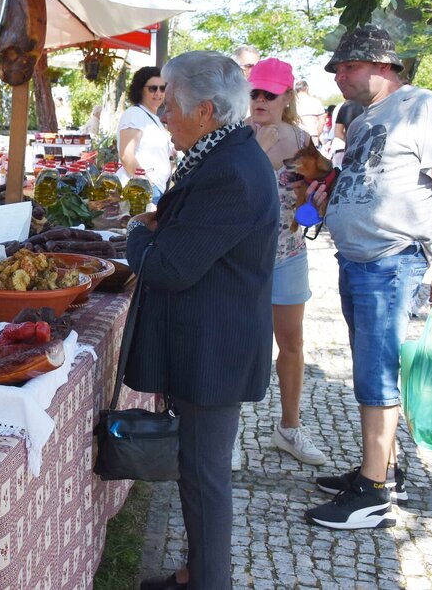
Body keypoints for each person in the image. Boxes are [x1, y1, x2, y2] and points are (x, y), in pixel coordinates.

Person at [128, 51, 278, 590]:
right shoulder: (223, 153)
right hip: (210, 339)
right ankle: (198, 571)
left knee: (204, 474)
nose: (163, 112)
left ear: (206, 111)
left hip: (216, 348)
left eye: (170, 103)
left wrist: (137, 233)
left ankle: (209, 581)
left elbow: (168, 267)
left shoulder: (230, 169)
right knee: (197, 469)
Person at [305, 25, 432, 530]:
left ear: (384, 65)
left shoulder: (424, 107)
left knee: (376, 373)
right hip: (359, 260)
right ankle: (383, 470)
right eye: (336, 68)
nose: (339, 75)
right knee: (369, 368)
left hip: (392, 261)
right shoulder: (365, 117)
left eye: (349, 66)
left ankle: (372, 495)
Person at [248, 58, 326, 466]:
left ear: (287, 97)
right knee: (241, 341)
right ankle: (226, 432)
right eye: (254, 92)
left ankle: (290, 427)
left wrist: (314, 205)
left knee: (292, 343)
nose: (260, 100)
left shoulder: (302, 141)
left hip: (289, 253)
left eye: (270, 94)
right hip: (243, 258)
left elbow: (311, 210)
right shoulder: (236, 136)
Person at [116, 66, 171, 203]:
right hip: (142, 191)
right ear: (140, 89)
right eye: (153, 88)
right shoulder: (135, 114)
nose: (158, 93)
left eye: (162, 88)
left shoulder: (152, 117)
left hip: (154, 189)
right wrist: (147, 185)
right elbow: (126, 155)